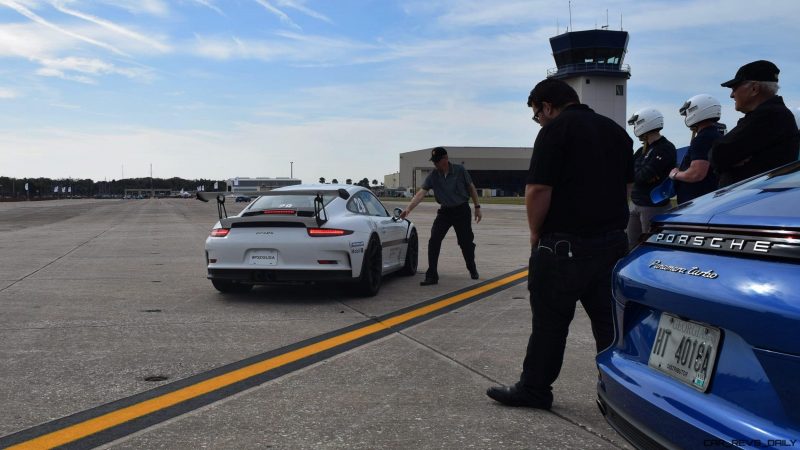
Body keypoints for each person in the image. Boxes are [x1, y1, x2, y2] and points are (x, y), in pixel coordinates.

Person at [485, 79, 632, 409]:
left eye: (536, 114)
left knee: (550, 325)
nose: (538, 120)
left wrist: (536, 235)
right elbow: (626, 188)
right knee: (610, 326)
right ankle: (617, 394)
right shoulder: (617, 132)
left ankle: (535, 389)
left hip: (564, 247)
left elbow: (538, 189)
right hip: (611, 245)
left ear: (546, 106)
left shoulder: (555, 131)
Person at [399, 147, 482, 286]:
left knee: (465, 243)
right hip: (445, 212)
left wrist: (477, 207)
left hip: (462, 210)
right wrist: (408, 209)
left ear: (445, 159)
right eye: (434, 162)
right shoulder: (433, 175)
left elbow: (471, 188)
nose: (435, 164)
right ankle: (432, 276)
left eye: (438, 161)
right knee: (434, 240)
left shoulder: (460, 171)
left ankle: (471, 266)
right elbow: (421, 193)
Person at [710, 60, 800, 187]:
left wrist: (726, 162)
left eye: (735, 88)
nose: (731, 95)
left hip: (753, 201)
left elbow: (718, 154)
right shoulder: (771, 114)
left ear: (754, 88)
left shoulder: (771, 115)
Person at [626, 108, 676, 248]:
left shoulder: (665, 148)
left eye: (636, 124)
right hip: (635, 203)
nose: (635, 128)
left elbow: (644, 175)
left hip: (652, 206)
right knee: (631, 245)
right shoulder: (642, 150)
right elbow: (630, 171)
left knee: (651, 245)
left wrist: (637, 173)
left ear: (645, 123)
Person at [669, 94, 723, 204]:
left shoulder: (702, 139)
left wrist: (675, 174)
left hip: (696, 201)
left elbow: (696, 174)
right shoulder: (716, 135)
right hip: (710, 198)